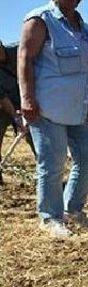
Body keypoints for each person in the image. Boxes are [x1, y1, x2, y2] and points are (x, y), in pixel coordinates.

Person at [18, 0, 88, 238]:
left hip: (79, 109)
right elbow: (25, 59)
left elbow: (87, 70)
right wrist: (27, 99)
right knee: (51, 164)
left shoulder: (85, 28)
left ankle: (73, 210)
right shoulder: (39, 20)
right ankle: (50, 217)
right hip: (46, 108)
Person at [0, 39, 35, 183]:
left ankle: (48, 176)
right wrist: (16, 117)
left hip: (29, 100)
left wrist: (29, 104)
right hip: (4, 106)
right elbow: (1, 97)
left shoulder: (19, 51)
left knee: (36, 138)